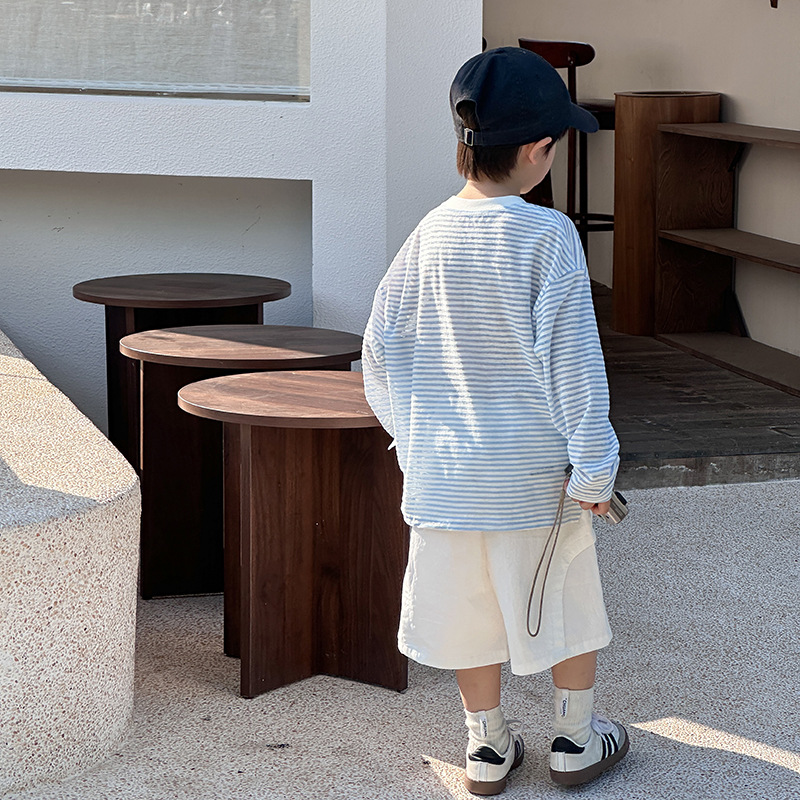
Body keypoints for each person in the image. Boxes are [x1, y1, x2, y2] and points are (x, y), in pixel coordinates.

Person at [362, 46, 629, 796]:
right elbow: (575, 367)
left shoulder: (428, 234)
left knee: (465, 613)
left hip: (445, 481)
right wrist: (595, 469)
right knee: (565, 600)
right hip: (534, 479)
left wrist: (413, 443)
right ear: (540, 150)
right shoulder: (549, 237)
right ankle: (575, 740)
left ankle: (486, 746)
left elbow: (378, 352)